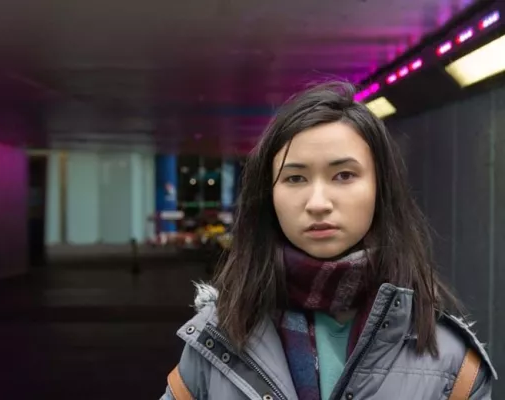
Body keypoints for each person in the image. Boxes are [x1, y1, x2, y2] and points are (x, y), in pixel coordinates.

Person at [160, 82, 496, 400]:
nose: (318, 202)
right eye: (295, 178)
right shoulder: (216, 338)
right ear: (268, 196)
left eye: (344, 175)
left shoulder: (448, 358)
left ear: (381, 189)